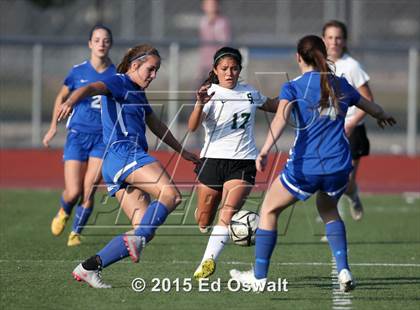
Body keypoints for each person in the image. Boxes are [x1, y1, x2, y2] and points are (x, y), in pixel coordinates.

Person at [229, 35, 396, 292]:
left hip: (306, 167)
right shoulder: (340, 84)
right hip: (339, 166)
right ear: (322, 55)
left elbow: (280, 120)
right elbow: (369, 106)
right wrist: (383, 115)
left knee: (270, 210)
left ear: (298, 58)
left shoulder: (294, 87)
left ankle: (259, 277)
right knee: (328, 210)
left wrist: (263, 151)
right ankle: (343, 270)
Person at [57, 44, 199, 288]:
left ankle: (88, 267)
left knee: (143, 229)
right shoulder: (118, 82)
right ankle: (134, 240)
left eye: (157, 71)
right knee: (171, 196)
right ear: (135, 65)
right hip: (124, 153)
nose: (154, 75)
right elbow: (92, 87)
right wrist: (71, 100)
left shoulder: (137, 92)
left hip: (117, 162)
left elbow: (157, 126)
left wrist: (183, 151)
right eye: (150, 69)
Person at [189, 47, 278, 279]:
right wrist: (199, 103)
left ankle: (206, 262)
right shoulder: (209, 93)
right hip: (213, 161)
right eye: (225, 69)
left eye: (234, 68)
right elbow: (191, 127)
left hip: (243, 162)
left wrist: (296, 97)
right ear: (215, 70)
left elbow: (275, 105)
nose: (230, 73)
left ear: (240, 70)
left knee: (227, 214)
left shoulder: (250, 92)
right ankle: (203, 216)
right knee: (203, 219)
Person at [44, 25, 116, 246]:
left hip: (102, 139)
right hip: (77, 136)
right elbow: (62, 96)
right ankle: (64, 211)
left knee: (89, 188)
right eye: (97, 40)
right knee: (73, 191)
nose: (101, 44)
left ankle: (76, 232)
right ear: (90, 44)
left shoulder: (116, 74)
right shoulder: (78, 72)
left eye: (105, 40)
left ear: (110, 44)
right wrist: (53, 126)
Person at [322, 20, 373, 221]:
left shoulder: (352, 66)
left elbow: (368, 100)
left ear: (344, 41)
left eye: (338, 38)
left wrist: (351, 123)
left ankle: (353, 194)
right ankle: (331, 221)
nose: (334, 42)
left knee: (346, 180)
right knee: (328, 177)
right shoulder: (319, 65)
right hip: (328, 129)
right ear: (323, 40)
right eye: (330, 38)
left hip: (352, 129)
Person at [198, 0, 231, 80]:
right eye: (207, 3)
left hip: (217, 63)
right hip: (204, 63)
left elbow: (223, 44)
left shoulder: (222, 23)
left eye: (212, 4)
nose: (210, 6)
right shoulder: (203, 22)